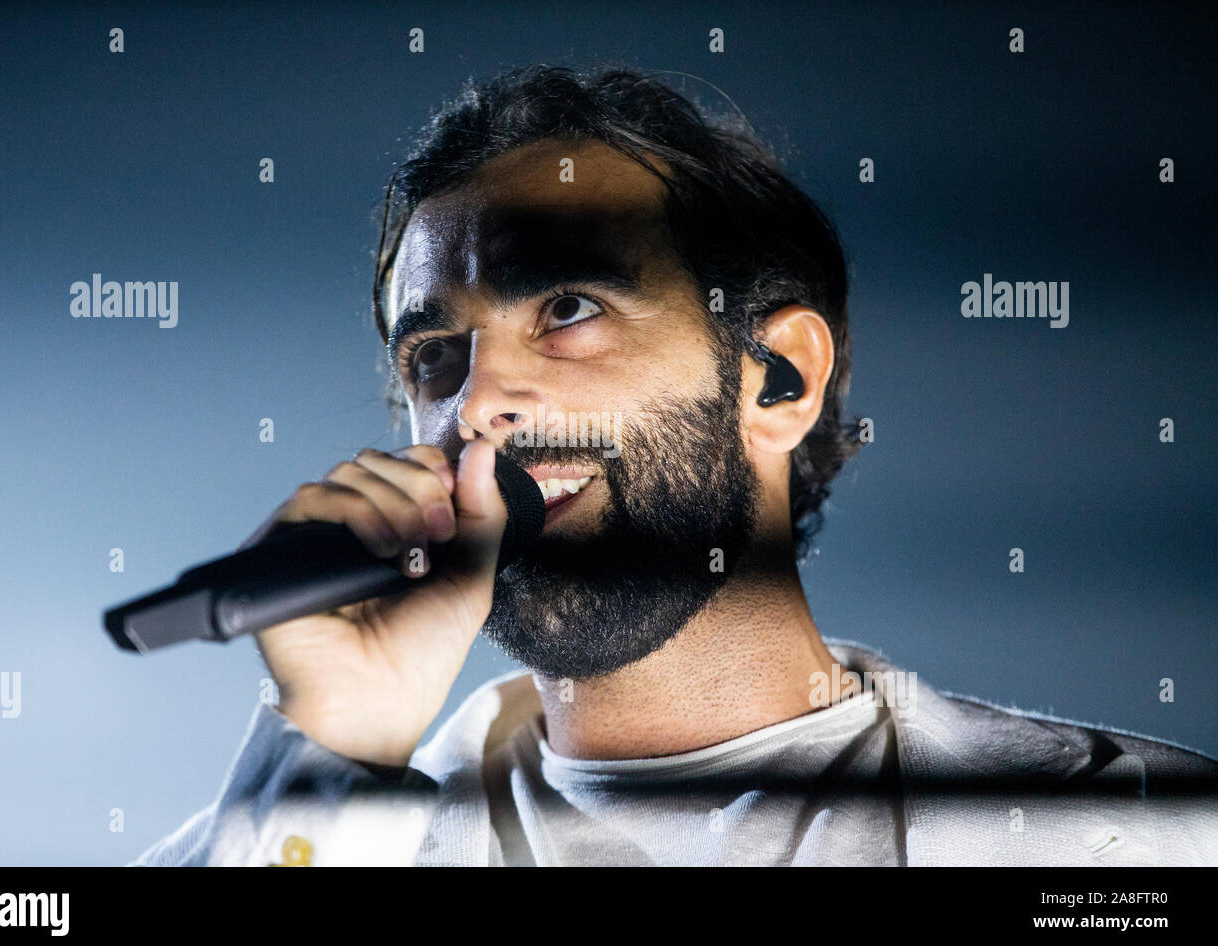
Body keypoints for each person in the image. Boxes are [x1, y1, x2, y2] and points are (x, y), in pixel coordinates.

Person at [134, 66, 1217, 866]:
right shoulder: (297, 832)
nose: (477, 401)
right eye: (434, 357)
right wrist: (338, 736)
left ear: (777, 380)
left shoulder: (1147, 839)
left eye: (567, 307)